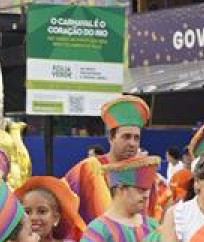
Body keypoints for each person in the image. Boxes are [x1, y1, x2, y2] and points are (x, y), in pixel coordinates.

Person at [63, 94, 168, 225]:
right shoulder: (88, 168)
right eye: (126, 137)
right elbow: (61, 198)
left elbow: (165, 201)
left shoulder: (145, 171)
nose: (132, 143)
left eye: (136, 138)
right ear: (111, 138)